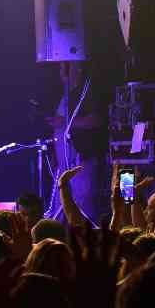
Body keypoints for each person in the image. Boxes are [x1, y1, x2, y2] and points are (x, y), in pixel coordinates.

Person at [46, 60, 106, 222]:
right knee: (60, 208)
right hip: (64, 163)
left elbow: (96, 120)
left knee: (82, 207)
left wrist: (65, 123)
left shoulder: (86, 92)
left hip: (80, 161)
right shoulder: (66, 94)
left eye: (64, 67)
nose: (61, 72)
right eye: (60, 68)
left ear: (77, 68)